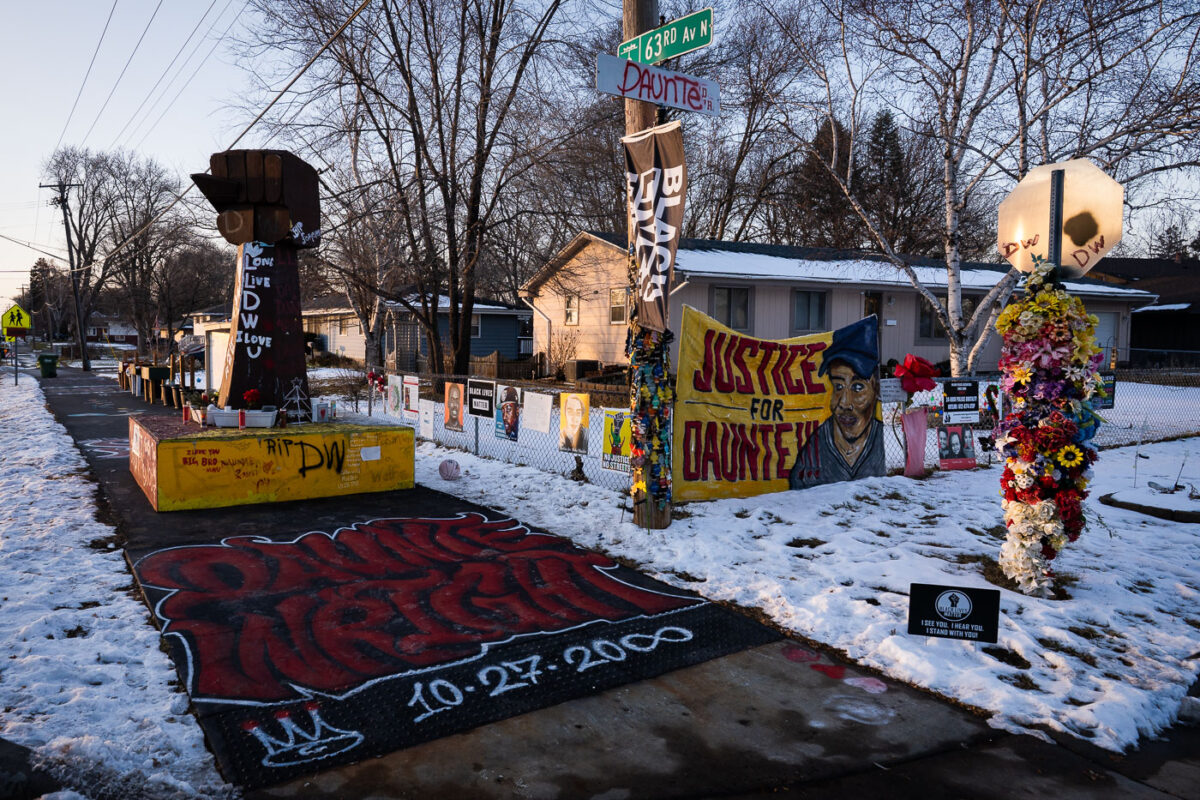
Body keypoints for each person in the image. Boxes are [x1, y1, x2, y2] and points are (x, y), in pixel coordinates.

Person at [789, 317, 885, 489]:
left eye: (857, 387)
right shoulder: (814, 447)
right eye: (838, 386)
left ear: (875, 388)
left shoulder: (876, 438)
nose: (845, 403)